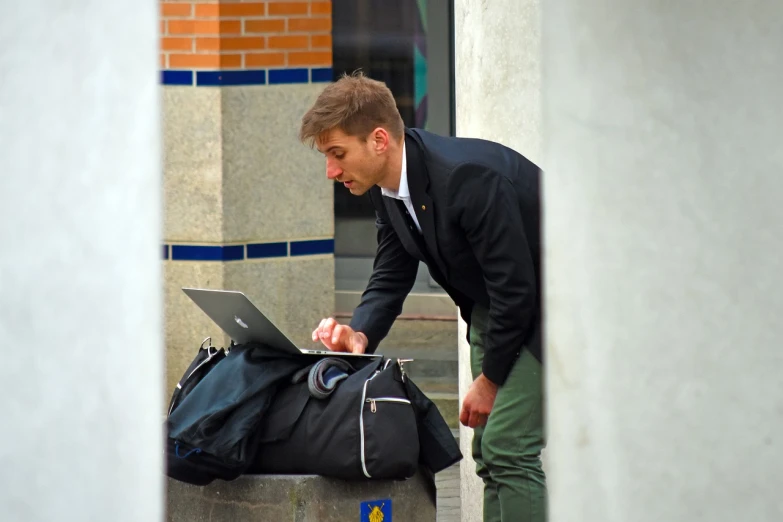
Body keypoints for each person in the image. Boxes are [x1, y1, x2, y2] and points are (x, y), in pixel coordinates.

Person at [299, 71, 546, 522]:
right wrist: (359, 333)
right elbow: (392, 272)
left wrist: (489, 381)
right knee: (490, 454)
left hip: (553, 305)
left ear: (379, 140)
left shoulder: (466, 179)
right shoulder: (388, 188)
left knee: (509, 447)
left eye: (337, 154)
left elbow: (518, 288)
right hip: (498, 307)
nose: (331, 171)